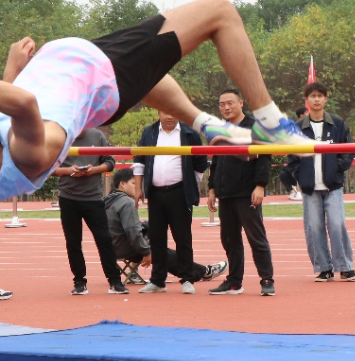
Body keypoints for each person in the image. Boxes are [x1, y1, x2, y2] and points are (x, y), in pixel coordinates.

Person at [0, 0, 312, 204]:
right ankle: (270, 122)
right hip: (100, 72)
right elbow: (23, 105)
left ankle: (205, 123)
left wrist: (13, 69)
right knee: (219, 12)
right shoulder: (28, 155)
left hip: (86, 72)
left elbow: (6, 109)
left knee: (153, 76)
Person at [284, 82, 355, 282]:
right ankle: (324, 268)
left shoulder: (338, 124)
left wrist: (337, 168)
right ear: (306, 100)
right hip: (310, 188)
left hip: (333, 186)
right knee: (314, 228)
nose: (316, 99)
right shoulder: (298, 127)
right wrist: (301, 176)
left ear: (326, 98)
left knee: (337, 224)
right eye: (312, 96)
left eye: (320, 96)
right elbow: (291, 157)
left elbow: (349, 150)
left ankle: (345, 267)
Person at [106, 167, 227, 285]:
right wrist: (146, 251)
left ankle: (136, 271)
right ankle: (204, 272)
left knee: (153, 227)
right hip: (125, 248)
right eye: (133, 183)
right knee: (163, 253)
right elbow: (132, 231)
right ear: (122, 184)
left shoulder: (108, 201)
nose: (137, 187)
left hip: (111, 248)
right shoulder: (127, 203)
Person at [207, 89, 276, 296]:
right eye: (222, 104)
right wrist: (212, 188)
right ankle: (234, 282)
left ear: (241, 103)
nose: (226, 107)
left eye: (230, 103)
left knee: (256, 237)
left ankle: (266, 279)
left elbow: (264, 158)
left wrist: (260, 185)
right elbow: (216, 160)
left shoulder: (255, 127)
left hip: (247, 192)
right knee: (229, 239)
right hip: (225, 192)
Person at [133, 111, 209, 294]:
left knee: (183, 238)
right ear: (158, 112)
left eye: (173, 112)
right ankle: (157, 280)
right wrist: (138, 188)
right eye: (165, 112)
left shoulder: (189, 133)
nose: (169, 116)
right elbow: (139, 160)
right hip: (155, 194)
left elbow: (200, 163)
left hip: (179, 193)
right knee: (157, 238)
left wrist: (190, 184)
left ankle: (187, 278)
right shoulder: (149, 132)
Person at [55, 128, 126, 295]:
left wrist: (94, 169)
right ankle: (79, 281)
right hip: (68, 197)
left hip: (93, 198)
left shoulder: (97, 136)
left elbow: (110, 162)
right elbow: (49, 168)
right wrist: (69, 171)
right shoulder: (60, 137)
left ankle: (114, 281)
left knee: (104, 239)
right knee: (73, 241)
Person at [282, 106, 308, 201]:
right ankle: (293, 191)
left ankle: (303, 191)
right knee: (284, 173)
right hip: (295, 157)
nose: (308, 114)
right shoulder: (295, 127)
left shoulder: (310, 126)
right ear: (302, 115)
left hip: (307, 157)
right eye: (307, 112)